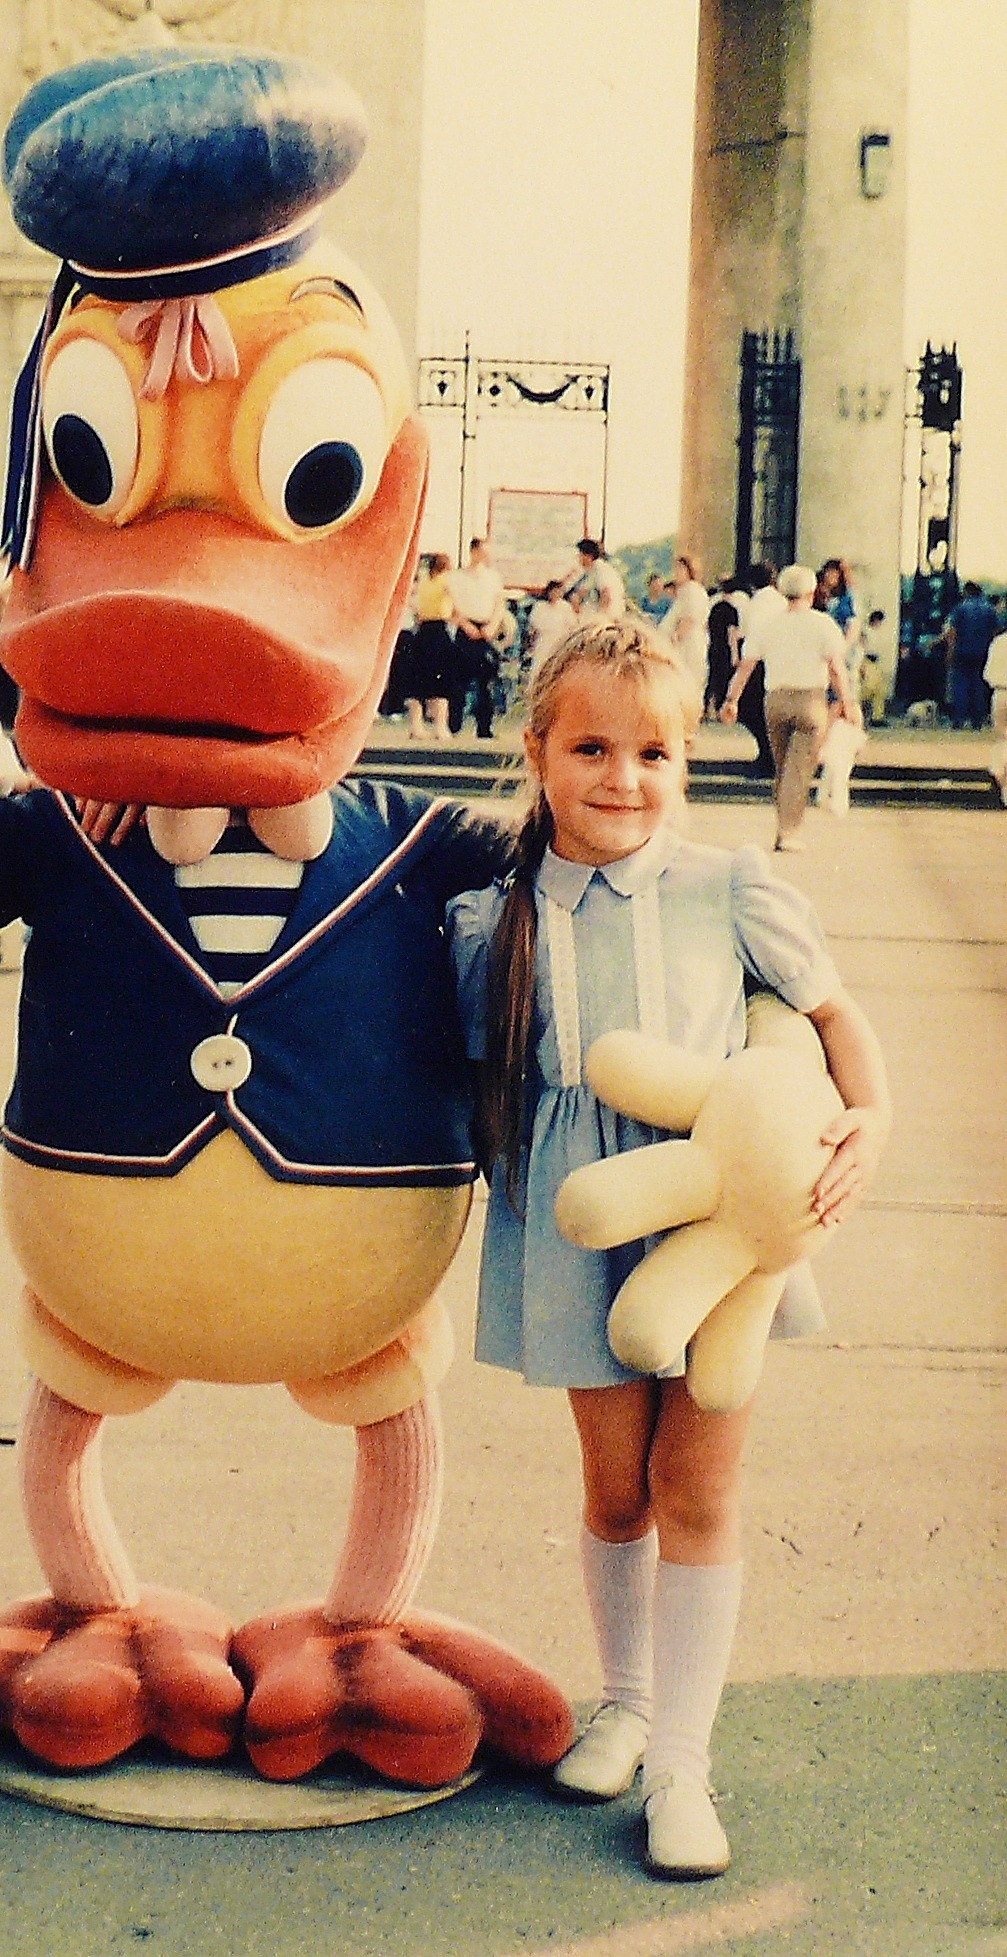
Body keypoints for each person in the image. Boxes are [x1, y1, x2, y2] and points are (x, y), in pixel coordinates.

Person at [448, 617, 890, 1881]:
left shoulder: (729, 885)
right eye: (589, 748)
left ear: (687, 760)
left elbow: (832, 1015)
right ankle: (627, 1702)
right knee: (614, 1490)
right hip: (575, 1218)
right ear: (537, 751)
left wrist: (870, 1117)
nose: (622, 778)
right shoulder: (489, 917)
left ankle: (681, 1765)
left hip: (718, 1221)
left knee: (695, 1489)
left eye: (654, 753)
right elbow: (470, 1084)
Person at [721, 564, 855, 851]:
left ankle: (784, 825)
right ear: (812, 592)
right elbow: (836, 668)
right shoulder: (823, 624)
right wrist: (848, 702)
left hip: (775, 701)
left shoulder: (768, 624)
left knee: (783, 768)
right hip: (811, 701)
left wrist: (731, 700)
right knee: (799, 768)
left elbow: (746, 666)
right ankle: (788, 831)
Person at [449, 538, 509, 737]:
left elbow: (499, 604)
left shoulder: (492, 577)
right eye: (482, 551)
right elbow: (452, 605)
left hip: (486, 629)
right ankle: (454, 725)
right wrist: (465, 625)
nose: (485, 555)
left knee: (487, 682)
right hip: (466, 628)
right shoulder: (457, 577)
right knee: (459, 680)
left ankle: (484, 727)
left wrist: (492, 626)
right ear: (473, 552)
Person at [732, 562, 782, 777]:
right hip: (778, 661)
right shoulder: (781, 601)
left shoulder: (755, 604)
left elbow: (748, 634)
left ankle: (767, 755)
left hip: (757, 662)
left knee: (751, 711)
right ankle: (771, 755)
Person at [405, 552, 457, 741]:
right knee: (441, 683)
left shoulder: (423, 582)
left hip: (422, 631)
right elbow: (456, 603)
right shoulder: (446, 582)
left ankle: (416, 726)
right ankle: (440, 727)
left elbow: (411, 601)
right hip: (439, 630)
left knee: (418, 682)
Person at [944, 580, 997, 730]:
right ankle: (977, 721)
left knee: (960, 686)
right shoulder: (989, 609)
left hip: (962, 652)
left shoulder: (960, 608)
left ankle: (958, 720)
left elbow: (953, 631)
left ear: (966, 591)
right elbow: (995, 631)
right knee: (978, 686)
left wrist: (950, 651)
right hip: (982, 652)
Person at [659, 554, 709, 698]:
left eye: (680, 569)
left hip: (688, 643)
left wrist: (675, 637)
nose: (676, 573)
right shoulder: (684, 591)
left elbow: (690, 618)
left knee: (686, 681)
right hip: (683, 642)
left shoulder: (691, 590)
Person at [562, 538, 626, 620]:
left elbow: (606, 595)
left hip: (608, 615)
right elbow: (581, 592)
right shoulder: (591, 570)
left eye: (580, 555)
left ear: (589, 556)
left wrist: (600, 618)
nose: (578, 558)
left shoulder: (601, 569)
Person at [704, 579, 741, 716]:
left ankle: (707, 706)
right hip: (725, 649)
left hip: (713, 646)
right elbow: (732, 633)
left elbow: (707, 627)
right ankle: (719, 707)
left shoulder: (715, 608)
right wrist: (735, 654)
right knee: (723, 679)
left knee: (712, 677)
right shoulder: (732, 610)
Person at [526, 580, 578, 676]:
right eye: (554, 591)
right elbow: (534, 628)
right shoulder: (540, 606)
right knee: (539, 666)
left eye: (559, 591)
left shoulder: (565, 607)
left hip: (559, 641)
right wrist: (531, 644)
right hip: (543, 641)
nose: (556, 594)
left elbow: (572, 626)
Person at [983, 623, 1007, 803]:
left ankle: (999, 773)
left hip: (1000, 693)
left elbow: (987, 673)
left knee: (1003, 736)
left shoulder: (999, 642)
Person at [858, 608, 890, 725]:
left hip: (876, 661)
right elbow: (861, 647)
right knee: (867, 689)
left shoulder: (879, 632)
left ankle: (877, 717)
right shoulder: (865, 631)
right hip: (866, 660)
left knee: (880, 690)